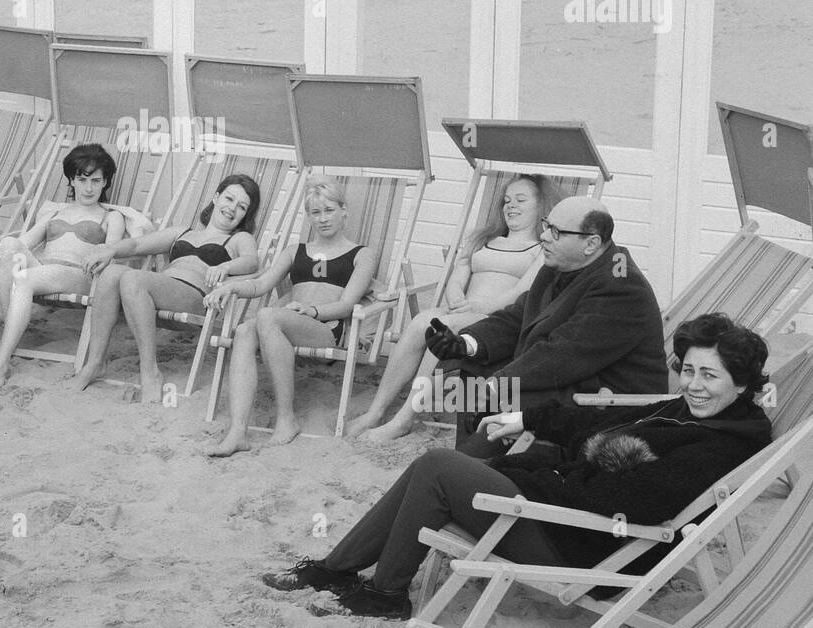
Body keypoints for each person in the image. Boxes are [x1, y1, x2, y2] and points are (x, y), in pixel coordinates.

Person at [262, 313, 772, 620]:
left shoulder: (720, 446)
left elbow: (627, 504)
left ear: (744, 384)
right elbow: (598, 424)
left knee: (440, 465)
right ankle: (336, 570)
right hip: (562, 513)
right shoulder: (684, 411)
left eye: (711, 375)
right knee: (462, 453)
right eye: (688, 370)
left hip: (584, 547)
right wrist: (525, 419)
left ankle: (386, 593)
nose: (695, 384)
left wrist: (530, 477)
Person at [423, 196, 666, 448]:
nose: (544, 236)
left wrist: (497, 383)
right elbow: (519, 317)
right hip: (568, 379)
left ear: (591, 243)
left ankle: (478, 467)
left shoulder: (621, 285)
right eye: (546, 225)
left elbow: (565, 353)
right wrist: (465, 343)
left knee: (502, 390)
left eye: (556, 232)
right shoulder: (561, 264)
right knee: (470, 365)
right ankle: (473, 455)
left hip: (604, 401)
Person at [346, 175, 558, 440]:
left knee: (442, 331)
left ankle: (403, 419)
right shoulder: (482, 239)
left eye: (520, 200)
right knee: (422, 321)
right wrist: (457, 296)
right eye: (506, 200)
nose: (510, 206)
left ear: (541, 206)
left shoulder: (542, 249)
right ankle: (375, 412)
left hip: (497, 323)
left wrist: (477, 306)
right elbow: (457, 277)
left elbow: (522, 292)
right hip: (460, 311)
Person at [206, 177, 378, 456]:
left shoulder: (362, 254)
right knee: (244, 331)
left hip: (325, 328)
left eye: (329, 210)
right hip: (286, 324)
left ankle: (286, 418)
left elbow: (347, 305)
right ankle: (238, 431)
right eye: (315, 212)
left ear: (344, 211)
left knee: (267, 317)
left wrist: (312, 310)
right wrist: (231, 285)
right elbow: (261, 285)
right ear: (308, 216)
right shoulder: (295, 250)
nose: (322, 219)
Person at [73, 174, 263, 403]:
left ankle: (150, 371)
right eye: (229, 199)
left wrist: (226, 265)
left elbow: (252, 261)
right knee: (112, 272)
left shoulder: (239, 238)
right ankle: (95, 362)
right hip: (161, 289)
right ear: (216, 197)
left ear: (245, 215)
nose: (232, 208)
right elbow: (137, 245)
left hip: (196, 296)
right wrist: (111, 251)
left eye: (242, 207)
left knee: (133, 279)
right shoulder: (183, 232)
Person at [0, 143, 126, 388]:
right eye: (82, 180)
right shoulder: (55, 212)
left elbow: (111, 254)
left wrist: (100, 254)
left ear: (105, 183)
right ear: (72, 180)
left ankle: (1, 359)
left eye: (96, 181)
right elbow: (23, 243)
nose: (89, 187)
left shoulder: (111, 216)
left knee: (23, 279)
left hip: (79, 275)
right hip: (42, 269)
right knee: (8, 245)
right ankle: (10, 338)